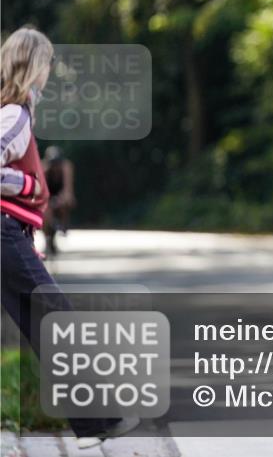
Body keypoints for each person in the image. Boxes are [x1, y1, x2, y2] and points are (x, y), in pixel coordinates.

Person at [1, 27, 137, 449]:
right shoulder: (14, 115)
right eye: (47, 62)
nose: (50, 70)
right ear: (32, 65)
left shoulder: (17, 112)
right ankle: (98, 419)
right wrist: (27, 185)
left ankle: (95, 421)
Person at [42, 145, 75, 257]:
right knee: (45, 211)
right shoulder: (43, 169)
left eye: (57, 163)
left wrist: (61, 200)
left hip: (61, 198)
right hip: (47, 198)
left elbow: (68, 190)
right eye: (53, 163)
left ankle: (63, 225)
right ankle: (47, 238)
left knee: (66, 202)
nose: (55, 166)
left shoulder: (66, 167)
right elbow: (41, 192)